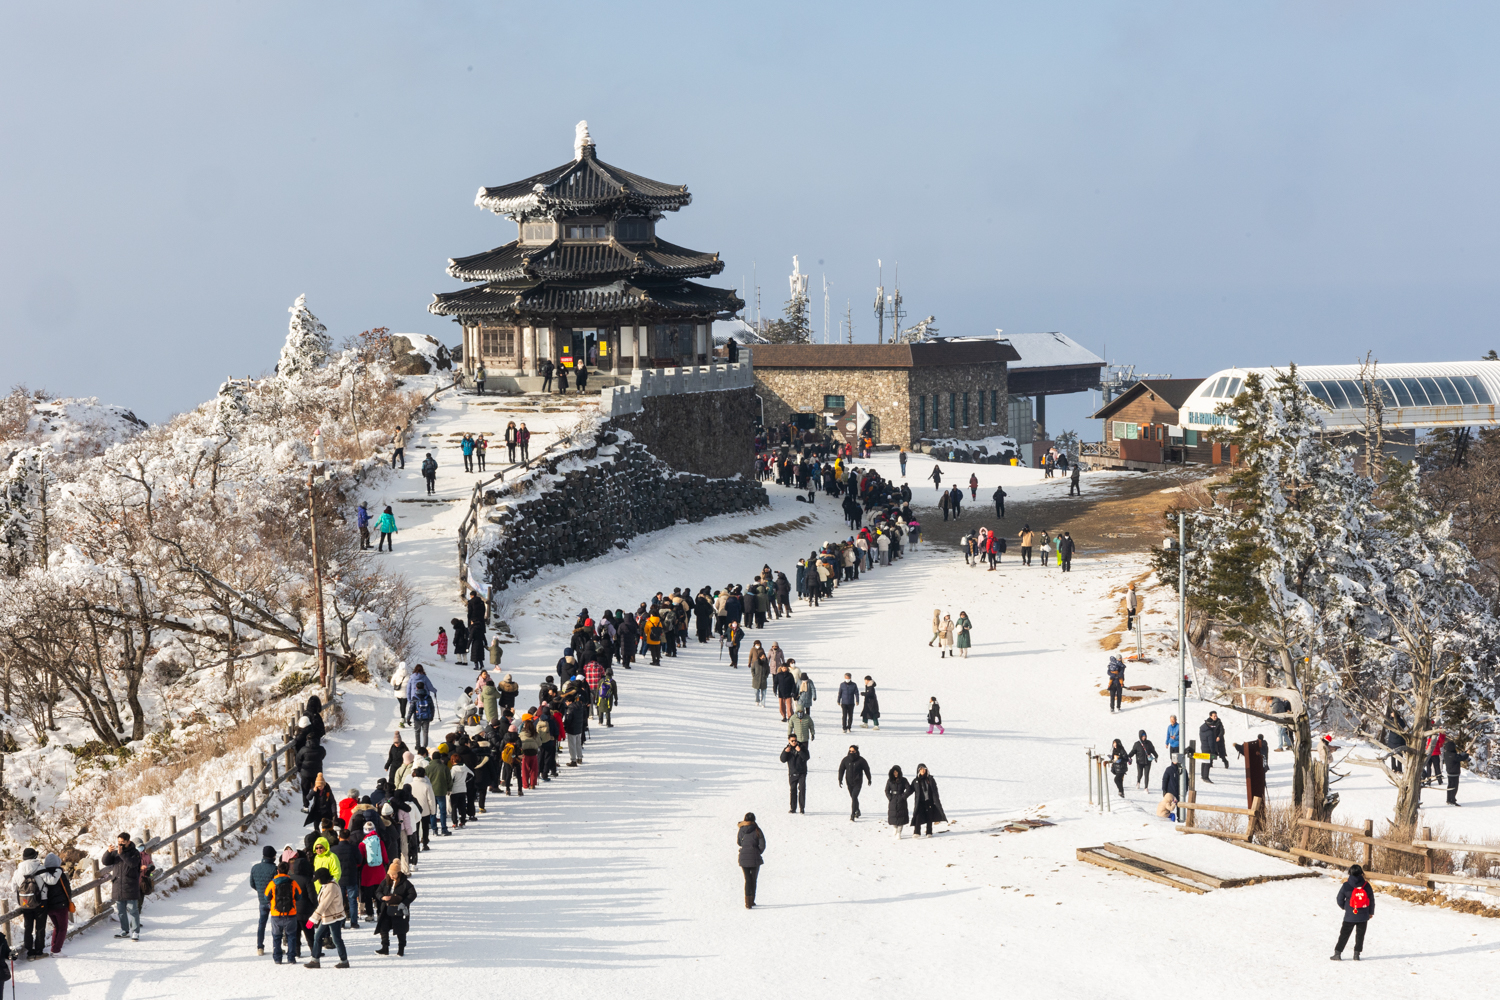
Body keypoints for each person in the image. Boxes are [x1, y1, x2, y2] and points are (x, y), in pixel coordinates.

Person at [304, 868, 349, 968]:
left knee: (336, 940)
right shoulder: (328, 885)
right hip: (328, 917)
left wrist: (313, 919)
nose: (318, 881)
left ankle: (344, 961)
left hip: (334, 917)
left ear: (323, 878)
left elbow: (323, 905)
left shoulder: (331, 887)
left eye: (319, 879)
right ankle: (315, 960)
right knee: (318, 937)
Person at [102, 831, 142, 941]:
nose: (120, 844)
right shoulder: (116, 853)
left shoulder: (135, 852)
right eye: (119, 841)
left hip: (130, 885)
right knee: (121, 911)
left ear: (128, 841)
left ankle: (135, 932)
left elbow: (132, 864)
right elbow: (105, 862)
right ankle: (124, 930)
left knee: (133, 910)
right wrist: (108, 852)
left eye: (123, 842)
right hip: (118, 885)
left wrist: (122, 854)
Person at [1331, 864, 1375, 960]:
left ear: (1350, 873)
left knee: (1344, 935)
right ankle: (1356, 955)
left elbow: (1339, 899)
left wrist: (1346, 907)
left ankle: (1337, 954)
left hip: (1350, 915)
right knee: (1360, 936)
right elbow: (1371, 900)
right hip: (1363, 916)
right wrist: (1370, 912)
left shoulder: (1346, 885)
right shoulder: (1366, 885)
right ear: (1361, 873)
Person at [374, 861, 416, 957]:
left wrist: (404, 903)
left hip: (399, 910)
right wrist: (382, 897)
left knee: (401, 930)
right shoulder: (385, 881)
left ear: (398, 873)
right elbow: (378, 891)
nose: (391, 876)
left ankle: (401, 949)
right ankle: (385, 947)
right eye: (390, 874)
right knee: (383, 928)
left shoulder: (405, 883)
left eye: (393, 874)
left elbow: (413, 894)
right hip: (386, 909)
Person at [264, 860, 302, 963]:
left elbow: (266, 897)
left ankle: (277, 958)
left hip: (276, 914)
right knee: (291, 936)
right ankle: (291, 958)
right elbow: (299, 896)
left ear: (278, 871)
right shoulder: (293, 883)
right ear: (288, 870)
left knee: (277, 937)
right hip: (291, 914)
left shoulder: (272, 883)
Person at [12, 847, 45, 960]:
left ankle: (29, 952)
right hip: (41, 902)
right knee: (40, 928)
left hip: (25, 903)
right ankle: (39, 952)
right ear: (35, 856)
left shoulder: (17, 872)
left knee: (28, 927)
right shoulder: (40, 868)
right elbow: (50, 882)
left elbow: (13, 888)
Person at [38, 852, 70, 958]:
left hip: (49, 906)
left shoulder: (43, 874)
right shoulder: (59, 874)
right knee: (63, 928)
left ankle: (54, 948)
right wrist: (68, 901)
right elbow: (67, 888)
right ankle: (56, 950)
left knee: (57, 926)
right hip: (61, 905)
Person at [249, 845, 277, 955]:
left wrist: (261, 891)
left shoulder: (254, 868)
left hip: (262, 900)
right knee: (275, 924)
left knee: (262, 923)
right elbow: (277, 885)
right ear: (273, 856)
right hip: (273, 901)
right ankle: (276, 947)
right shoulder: (274, 869)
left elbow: (252, 884)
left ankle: (260, 947)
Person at [737, 813, 766, 909]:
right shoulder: (757, 829)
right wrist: (757, 852)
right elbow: (762, 844)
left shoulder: (741, 829)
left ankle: (747, 903)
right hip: (755, 857)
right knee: (753, 879)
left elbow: (739, 842)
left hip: (743, 857)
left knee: (747, 880)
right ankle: (752, 900)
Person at [909, 764, 947, 837]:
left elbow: (935, 791)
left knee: (929, 816)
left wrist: (936, 800)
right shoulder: (916, 781)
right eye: (921, 769)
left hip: (929, 801)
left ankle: (929, 832)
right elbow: (910, 790)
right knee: (918, 816)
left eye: (924, 769)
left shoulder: (930, 779)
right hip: (920, 802)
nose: (922, 771)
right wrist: (902, 796)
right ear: (918, 771)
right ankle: (916, 832)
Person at [837, 745, 872, 821]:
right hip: (849, 782)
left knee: (854, 797)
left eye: (853, 751)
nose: (851, 752)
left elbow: (867, 769)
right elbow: (841, 769)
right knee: (853, 798)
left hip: (857, 782)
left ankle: (852, 814)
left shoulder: (861, 760)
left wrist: (869, 779)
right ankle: (857, 810)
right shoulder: (846, 760)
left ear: (856, 751)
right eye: (850, 751)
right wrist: (840, 779)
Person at [781, 735, 810, 814]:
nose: (794, 742)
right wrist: (785, 752)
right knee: (793, 790)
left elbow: (807, 757)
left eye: (795, 740)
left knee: (802, 790)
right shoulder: (788, 749)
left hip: (802, 773)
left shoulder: (802, 747)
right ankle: (793, 808)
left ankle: (802, 808)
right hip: (792, 773)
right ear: (789, 741)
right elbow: (782, 760)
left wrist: (800, 751)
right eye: (792, 741)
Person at [1443, 740, 1471, 805]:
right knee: (1454, 787)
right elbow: (1461, 758)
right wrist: (1467, 754)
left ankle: (1449, 799)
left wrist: (1464, 753)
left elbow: (1458, 756)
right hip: (1454, 773)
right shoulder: (1454, 755)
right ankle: (1452, 800)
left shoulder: (1446, 754)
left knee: (1450, 786)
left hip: (1449, 773)